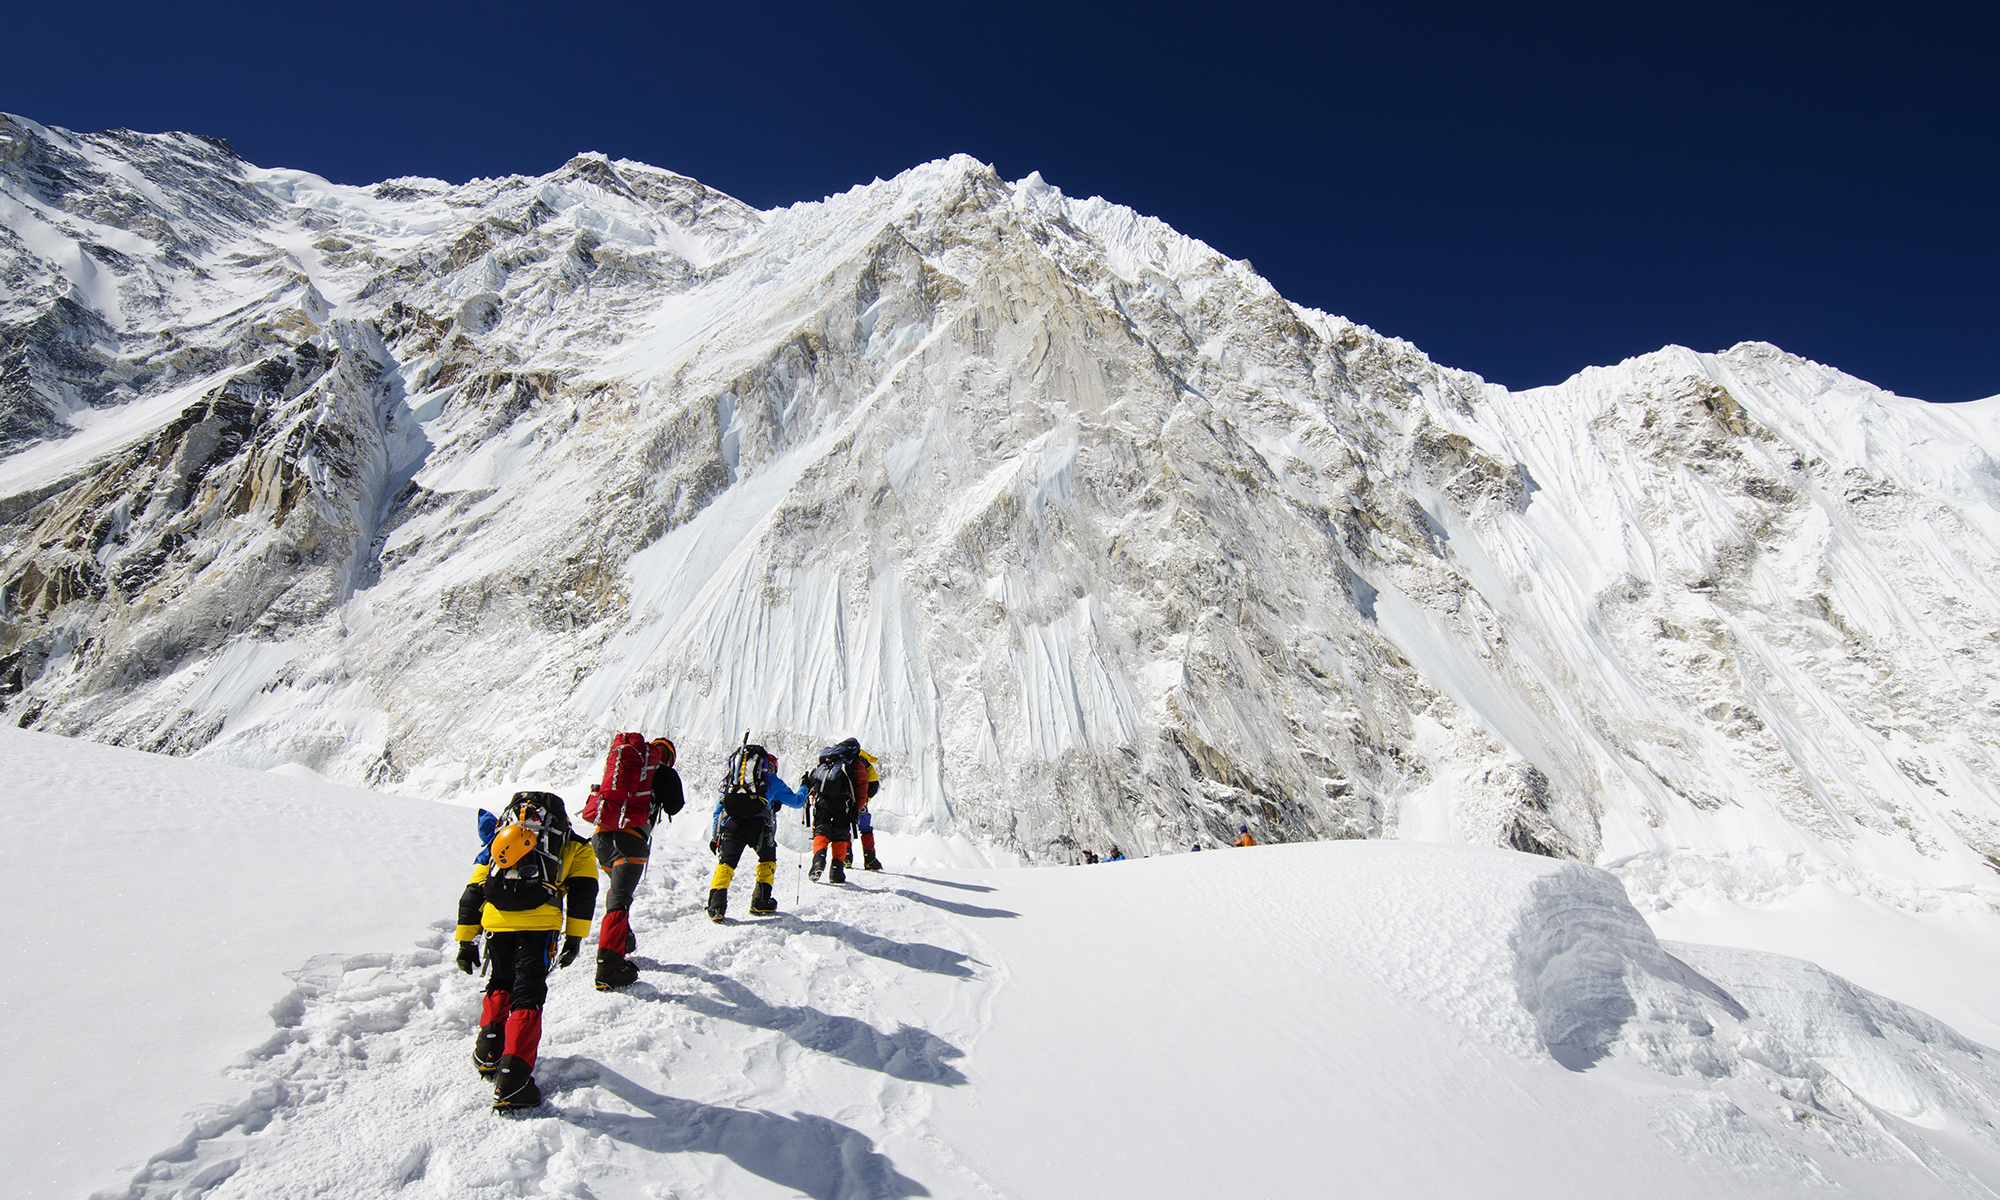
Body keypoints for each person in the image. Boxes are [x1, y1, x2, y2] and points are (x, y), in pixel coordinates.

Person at [454, 790, 598, 1112]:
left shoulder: (500, 838)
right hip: (540, 924)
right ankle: (513, 1080)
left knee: (500, 980)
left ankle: (489, 1051)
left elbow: (472, 892)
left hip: (495, 920)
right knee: (528, 993)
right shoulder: (574, 844)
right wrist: (574, 939)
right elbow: (584, 893)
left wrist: (466, 940)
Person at [590, 736, 684, 991]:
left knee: (618, 890)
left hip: (600, 839)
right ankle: (609, 967)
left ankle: (624, 939)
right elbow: (675, 806)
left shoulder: (626, 767)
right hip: (630, 842)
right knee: (619, 898)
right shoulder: (664, 773)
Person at [708, 741, 805, 921]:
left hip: (732, 824)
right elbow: (797, 801)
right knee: (767, 860)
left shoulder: (734, 781)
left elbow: (719, 810)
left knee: (726, 863)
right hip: (759, 827)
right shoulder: (771, 781)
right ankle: (760, 901)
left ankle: (716, 906)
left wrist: (715, 836)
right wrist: (805, 785)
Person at [804, 737, 874, 883]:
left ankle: (818, 859)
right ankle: (837, 870)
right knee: (840, 834)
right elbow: (862, 785)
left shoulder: (829, 758)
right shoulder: (855, 761)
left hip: (822, 801)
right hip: (842, 803)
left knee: (821, 830)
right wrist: (858, 807)